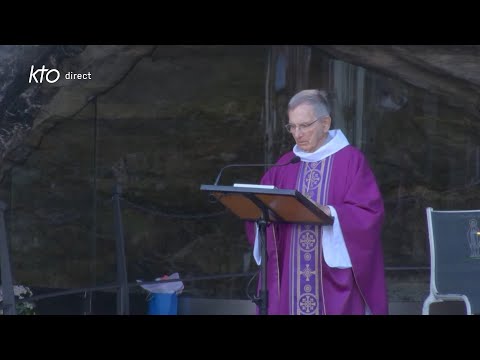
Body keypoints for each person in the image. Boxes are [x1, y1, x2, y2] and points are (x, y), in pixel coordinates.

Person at [245, 89, 388, 315]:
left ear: (325, 123)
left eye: (305, 125)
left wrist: (331, 213)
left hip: (331, 277)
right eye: (292, 126)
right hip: (290, 275)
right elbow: (260, 208)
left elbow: (369, 213)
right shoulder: (286, 163)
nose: (297, 133)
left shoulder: (350, 160)